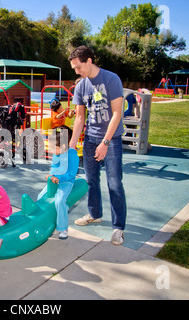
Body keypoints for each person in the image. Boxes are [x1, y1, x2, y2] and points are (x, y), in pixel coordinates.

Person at [68, 45, 127, 246]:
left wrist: (105, 142)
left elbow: (117, 114)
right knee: (91, 180)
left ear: (89, 61)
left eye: (78, 67)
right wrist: (71, 146)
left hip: (111, 139)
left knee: (114, 183)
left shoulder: (112, 79)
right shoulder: (81, 86)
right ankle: (94, 214)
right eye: (74, 68)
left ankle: (118, 228)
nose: (76, 71)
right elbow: (80, 118)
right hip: (91, 140)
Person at [37, 126, 79, 240]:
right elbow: (54, 167)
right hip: (55, 181)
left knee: (59, 201)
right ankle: (45, 222)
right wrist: (51, 175)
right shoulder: (57, 153)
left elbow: (71, 174)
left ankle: (63, 228)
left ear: (63, 146)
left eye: (53, 147)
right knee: (41, 197)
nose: (51, 150)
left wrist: (59, 178)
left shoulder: (72, 155)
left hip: (66, 183)